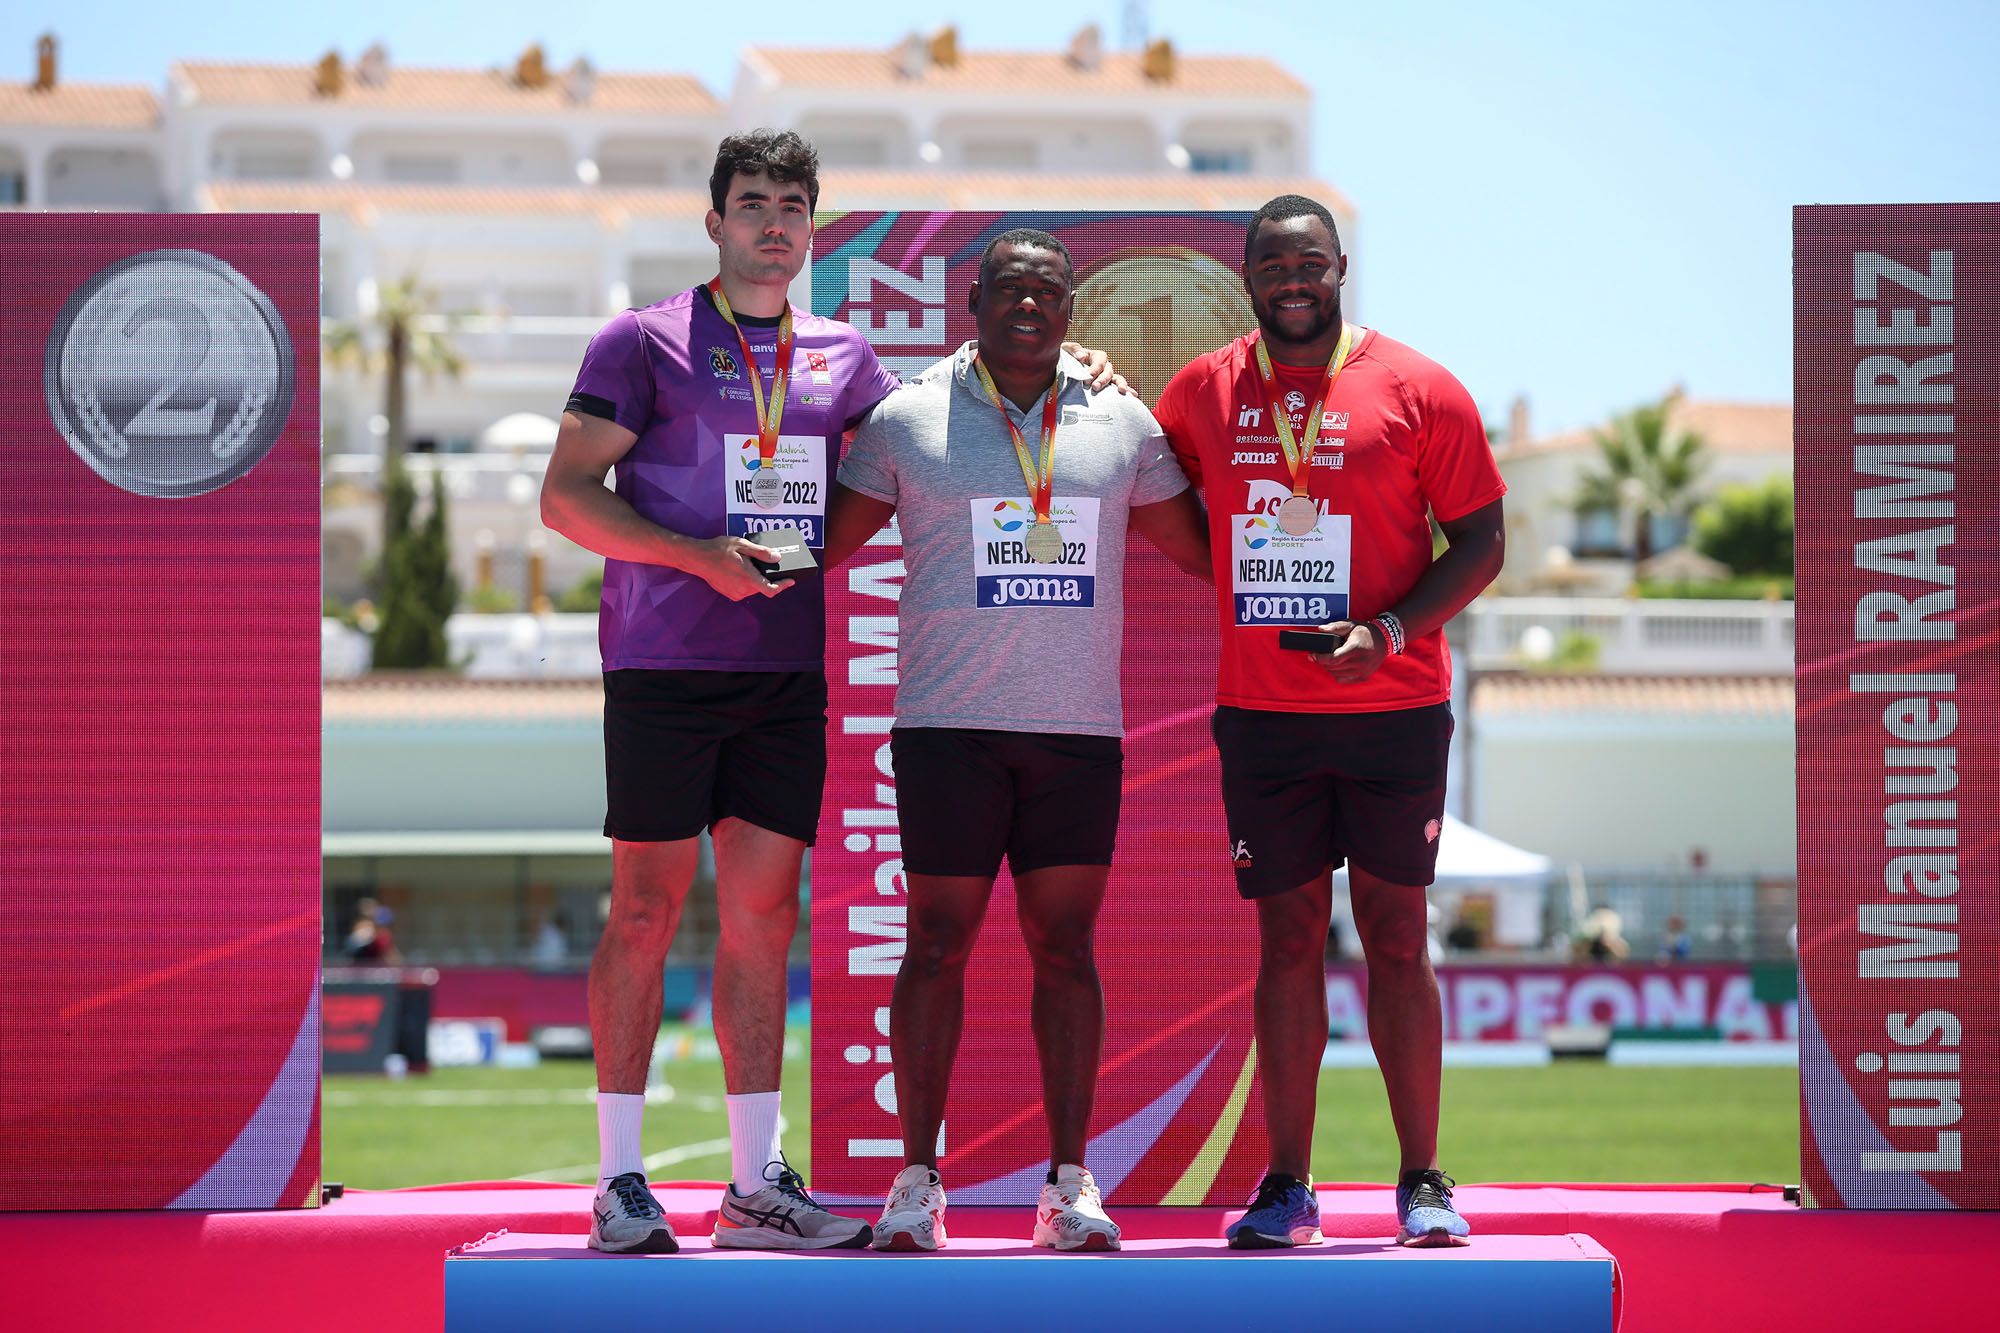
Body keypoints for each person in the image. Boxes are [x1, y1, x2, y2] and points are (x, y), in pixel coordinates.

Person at [541, 133, 1128, 1255]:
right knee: (644, 912)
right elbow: (565, 498)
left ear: (811, 229)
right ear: (712, 221)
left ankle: (754, 1184)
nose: (772, 222)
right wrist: (694, 554)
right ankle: (620, 1181)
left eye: (792, 206)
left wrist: (1076, 366)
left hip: (780, 675)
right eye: (751, 202)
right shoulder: (642, 340)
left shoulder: (841, 359)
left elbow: (954, 428)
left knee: (764, 924)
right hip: (663, 667)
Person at [821, 228, 1210, 1253]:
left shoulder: (1120, 417)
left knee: (1064, 949)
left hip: (1075, 732)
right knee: (935, 946)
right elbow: (816, 541)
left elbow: (1205, 550)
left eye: (1047, 291)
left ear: (1070, 310)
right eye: (1009, 289)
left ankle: (1068, 1185)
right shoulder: (905, 417)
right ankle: (916, 1181)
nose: (1028, 306)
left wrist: (1326, 553)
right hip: (946, 729)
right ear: (974, 304)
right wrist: (692, 546)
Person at [1153, 195, 1506, 1249]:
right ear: (1246, 275)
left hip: (1394, 707)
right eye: (1273, 264)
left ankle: (1421, 1181)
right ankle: (1286, 1186)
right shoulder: (1202, 389)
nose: (1291, 279)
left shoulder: (1417, 386)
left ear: (1339, 266)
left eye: (1309, 261)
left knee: (1397, 937)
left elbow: (1481, 542)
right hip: (1262, 715)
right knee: (1287, 941)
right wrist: (1229, 575)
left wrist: (1387, 631)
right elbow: (1158, 493)